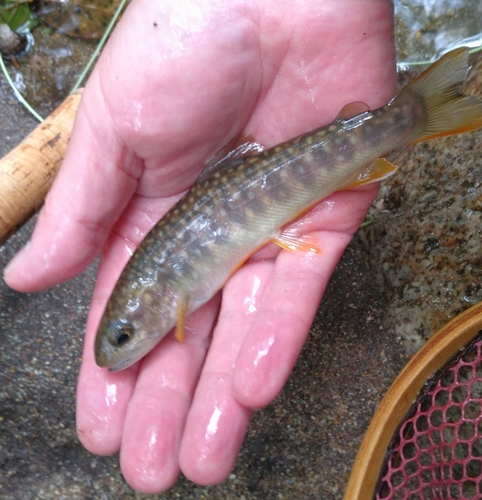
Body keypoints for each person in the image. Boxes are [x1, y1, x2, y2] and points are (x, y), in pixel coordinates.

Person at [4, 0, 396, 494]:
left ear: (152, 305)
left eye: (125, 336)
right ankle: (404, 121)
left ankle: (407, 119)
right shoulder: (168, 300)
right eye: (124, 337)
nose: (124, 348)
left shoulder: (172, 300)